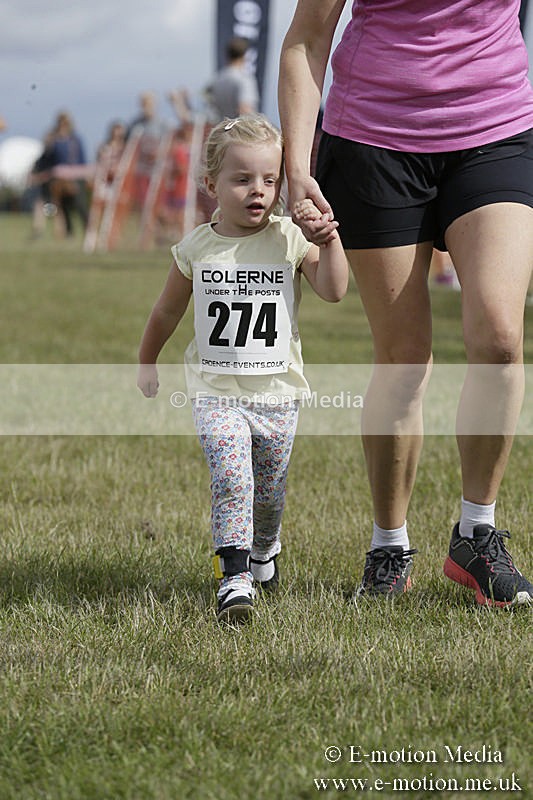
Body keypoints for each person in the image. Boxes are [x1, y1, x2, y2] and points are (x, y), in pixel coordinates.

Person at [278, 1, 533, 607]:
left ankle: (477, 534)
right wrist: (296, 166)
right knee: (404, 360)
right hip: (375, 141)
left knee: (500, 339)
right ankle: (389, 546)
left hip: (496, 129)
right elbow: (306, 40)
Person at [137, 114, 348, 623]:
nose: (259, 190)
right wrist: (147, 359)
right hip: (215, 392)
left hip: (277, 394)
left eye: (270, 180)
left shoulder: (288, 239)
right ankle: (233, 577)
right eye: (243, 179)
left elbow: (334, 289)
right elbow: (166, 311)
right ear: (211, 185)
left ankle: (264, 548)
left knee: (269, 493)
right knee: (233, 479)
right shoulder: (196, 248)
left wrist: (328, 240)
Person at [205, 37, 259, 122]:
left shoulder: (217, 80)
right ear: (244, 55)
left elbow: (210, 109)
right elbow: (245, 109)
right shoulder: (244, 79)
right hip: (237, 129)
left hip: (220, 127)